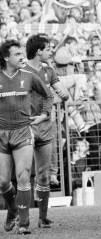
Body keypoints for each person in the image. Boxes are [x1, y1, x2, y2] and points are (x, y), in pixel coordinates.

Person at [0, 39, 52, 234]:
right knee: (3, 182)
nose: (22, 57)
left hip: (23, 131)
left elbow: (48, 95)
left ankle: (24, 224)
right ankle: (12, 210)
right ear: (6, 58)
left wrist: (44, 114)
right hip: (1, 135)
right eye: (17, 54)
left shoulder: (29, 77)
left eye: (22, 54)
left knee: (23, 176)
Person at [23, 34, 69, 228]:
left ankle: (42, 218)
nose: (51, 51)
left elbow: (64, 95)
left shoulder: (49, 71)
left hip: (45, 126)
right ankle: (21, 218)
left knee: (43, 175)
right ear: (39, 51)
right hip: (24, 126)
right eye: (48, 48)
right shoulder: (20, 71)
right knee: (23, 174)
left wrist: (47, 106)